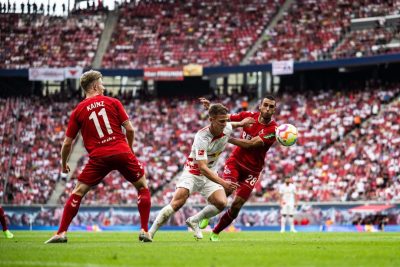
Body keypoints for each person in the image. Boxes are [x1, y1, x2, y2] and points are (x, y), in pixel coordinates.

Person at [45, 70, 151, 243]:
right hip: (121, 151)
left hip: (98, 157)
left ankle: (61, 233)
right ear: (95, 85)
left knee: (78, 192)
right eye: (101, 83)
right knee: (142, 186)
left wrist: (64, 164)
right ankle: (144, 231)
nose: (103, 86)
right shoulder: (113, 102)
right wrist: (129, 150)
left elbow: (67, 143)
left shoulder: (78, 110)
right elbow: (130, 129)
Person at [148, 103, 254, 240]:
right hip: (193, 173)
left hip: (210, 175)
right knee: (178, 202)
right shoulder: (201, 137)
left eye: (226, 120)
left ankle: (194, 220)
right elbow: (202, 168)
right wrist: (223, 182)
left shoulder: (226, 126)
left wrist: (241, 122)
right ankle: (150, 233)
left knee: (221, 203)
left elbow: (232, 124)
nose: (224, 124)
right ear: (211, 120)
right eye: (221, 121)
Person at [188, 96, 278, 241]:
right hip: (235, 162)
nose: (268, 109)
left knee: (237, 206)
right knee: (228, 190)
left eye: (271, 106)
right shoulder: (248, 116)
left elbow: (250, 144)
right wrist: (211, 107)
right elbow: (224, 117)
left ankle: (215, 232)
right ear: (260, 106)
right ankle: (207, 215)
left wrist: (225, 137)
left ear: (274, 110)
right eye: (265, 105)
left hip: (253, 171)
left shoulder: (274, 129)